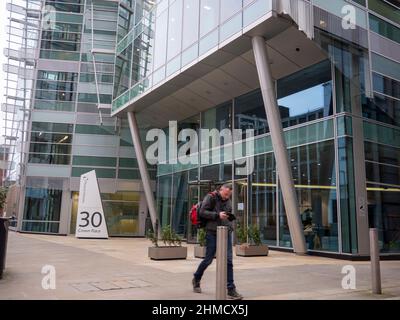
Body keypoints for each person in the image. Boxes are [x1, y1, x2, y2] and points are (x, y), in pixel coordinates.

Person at [192, 183, 243, 300]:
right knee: (208, 259)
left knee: (229, 260)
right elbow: (202, 212)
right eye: (225, 194)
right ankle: (196, 278)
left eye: (228, 195)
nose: (226, 197)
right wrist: (217, 215)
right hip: (212, 233)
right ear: (221, 190)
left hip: (225, 233)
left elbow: (228, 217)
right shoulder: (211, 197)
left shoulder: (228, 201)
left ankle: (231, 289)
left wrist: (230, 225)